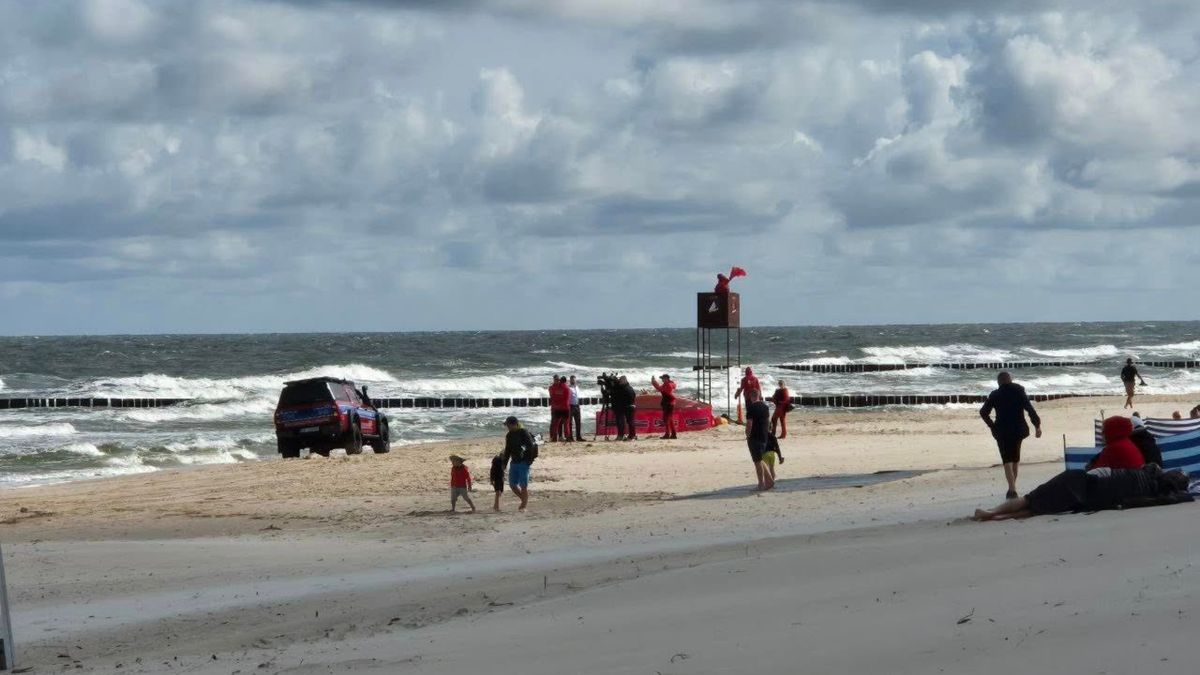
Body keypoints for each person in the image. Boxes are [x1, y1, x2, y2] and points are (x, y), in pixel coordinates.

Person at [972, 464, 1191, 521]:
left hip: (1084, 483)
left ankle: (991, 512)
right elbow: (1179, 496)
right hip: (1092, 500)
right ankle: (999, 517)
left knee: (1031, 498)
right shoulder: (1153, 494)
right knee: (1038, 509)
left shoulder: (1148, 473)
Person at [979, 372, 1042, 500]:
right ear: (1010, 380)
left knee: (1007, 460)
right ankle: (1012, 489)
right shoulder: (1019, 391)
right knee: (1015, 458)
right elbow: (1030, 409)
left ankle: (1012, 489)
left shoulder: (995, 395)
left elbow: (983, 412)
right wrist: (1037, 426)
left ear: (999, 382)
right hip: (1018, 429)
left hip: (1001, 430)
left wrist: (992, 426)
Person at [502, 416, 538, 511]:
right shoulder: (509, 435)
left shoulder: (523, 432)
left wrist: (529, 461)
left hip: (523, 463)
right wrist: (504, 464)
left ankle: (524, 505)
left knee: (523, 485)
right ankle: (524, 499)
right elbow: (507, 450)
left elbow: (531, 447)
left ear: (514, 424)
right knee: (512, 485)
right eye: (507, 425)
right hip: (514, 462)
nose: (508, 427)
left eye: (509, 425)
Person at [745, 397, 773, 490]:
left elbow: (749, 423)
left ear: (751, 397)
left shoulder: (751, 408)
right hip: (764, 436)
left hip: (755, 437)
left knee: (757, 461)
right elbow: (768, 421)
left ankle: (761, 484)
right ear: (759, 395)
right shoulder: (765, 407)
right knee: (760, 458)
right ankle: (769, 480)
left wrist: (747, 435)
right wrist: (768, 431)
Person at [650, 374, 678, 439]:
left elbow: (660, 388)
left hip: (669, 403)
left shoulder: (668, 385)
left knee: (666, 419)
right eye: (662, 378)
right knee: (669, 419)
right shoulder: (668, 384)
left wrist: (654, 382)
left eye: (663, 378)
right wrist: (654, 382)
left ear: (666, 378)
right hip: (669, 403)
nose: (662, 379)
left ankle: (668, 434)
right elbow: (660, 388)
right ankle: (673, 434)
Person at [612, 375, 638, 441]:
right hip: (630, 406)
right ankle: (632, 435)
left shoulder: (624, 389)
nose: (619, 382)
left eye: (620, 380)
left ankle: (626, 436)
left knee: (626, 422)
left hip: (627, 407)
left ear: (623, 381)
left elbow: (617, 397)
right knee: (630, 422)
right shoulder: (629, 387)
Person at [548, 375, 572, 442]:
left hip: (557, 408)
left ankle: (554, 438)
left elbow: (554, 397)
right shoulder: (567, 388)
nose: (558, 381)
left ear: (560, 381)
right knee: (566, 423)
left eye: (559, 380)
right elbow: (568, 398)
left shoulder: (555, 388)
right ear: (566, 381)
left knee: (555, 424)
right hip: (566, 408)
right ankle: (567, 437)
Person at [568, 375, 584, 442]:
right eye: (572, 380)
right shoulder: (568, 388)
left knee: (578, 422)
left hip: (577, 406)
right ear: (570, 380)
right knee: (570, 423)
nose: (573, 381)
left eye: (574, 380)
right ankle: (570, 437)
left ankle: (578, 437)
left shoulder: (577, 387)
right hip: (570, 406)